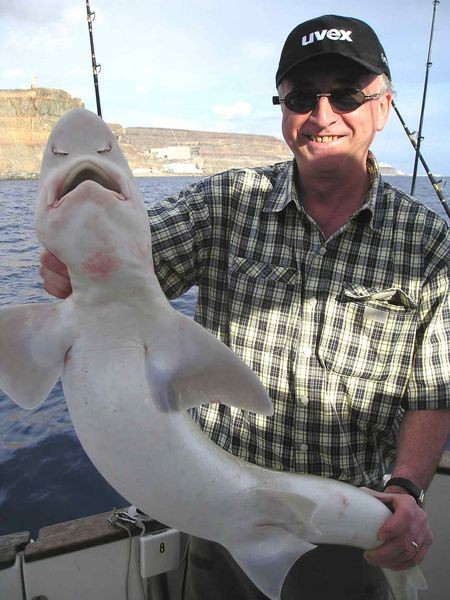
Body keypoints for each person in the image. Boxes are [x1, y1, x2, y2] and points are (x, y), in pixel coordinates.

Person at [40, 14, 450, 600]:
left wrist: (406, 489)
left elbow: (433, 391)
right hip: (218, 512)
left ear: (383, 107)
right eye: (302, 97)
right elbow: (132, 254)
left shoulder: (430, 246)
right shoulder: (226, 202)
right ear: (283, 110)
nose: (323, 114)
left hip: (348, 521)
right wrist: (76, 258)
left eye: (347, 95)